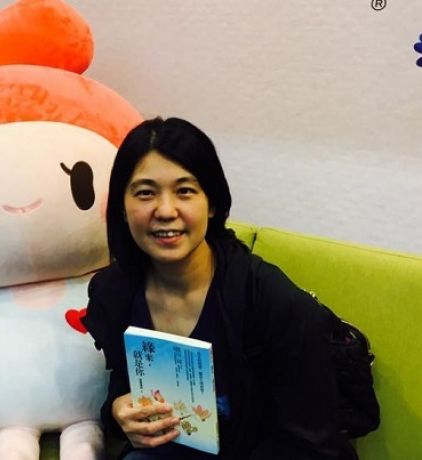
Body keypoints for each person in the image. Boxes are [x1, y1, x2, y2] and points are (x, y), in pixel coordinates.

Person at [81, 117, 356, 459]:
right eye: (145, 193)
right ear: (122, 208)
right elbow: (123, 389)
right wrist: (118, 412)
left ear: (212, 204)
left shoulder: (274, 303)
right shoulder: (113, 293)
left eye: (185, 191)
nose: (165, 211)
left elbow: (312, 444)